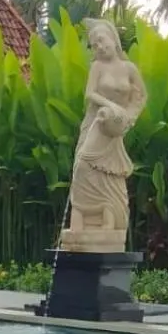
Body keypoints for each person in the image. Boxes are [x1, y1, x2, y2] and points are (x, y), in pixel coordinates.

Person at [61, 19, 147, 248]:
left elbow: (140, 96)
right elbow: (90, 94)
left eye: (101, 40)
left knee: (111, 173)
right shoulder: (97, 67)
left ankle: (109, 217)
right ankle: (80, 218)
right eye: (94, 45)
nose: (99, 47)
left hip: (114, 128)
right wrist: (111, 106)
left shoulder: (129, 69)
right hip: (96, 122)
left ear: (113, 39)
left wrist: (129, 117)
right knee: (83, 166)